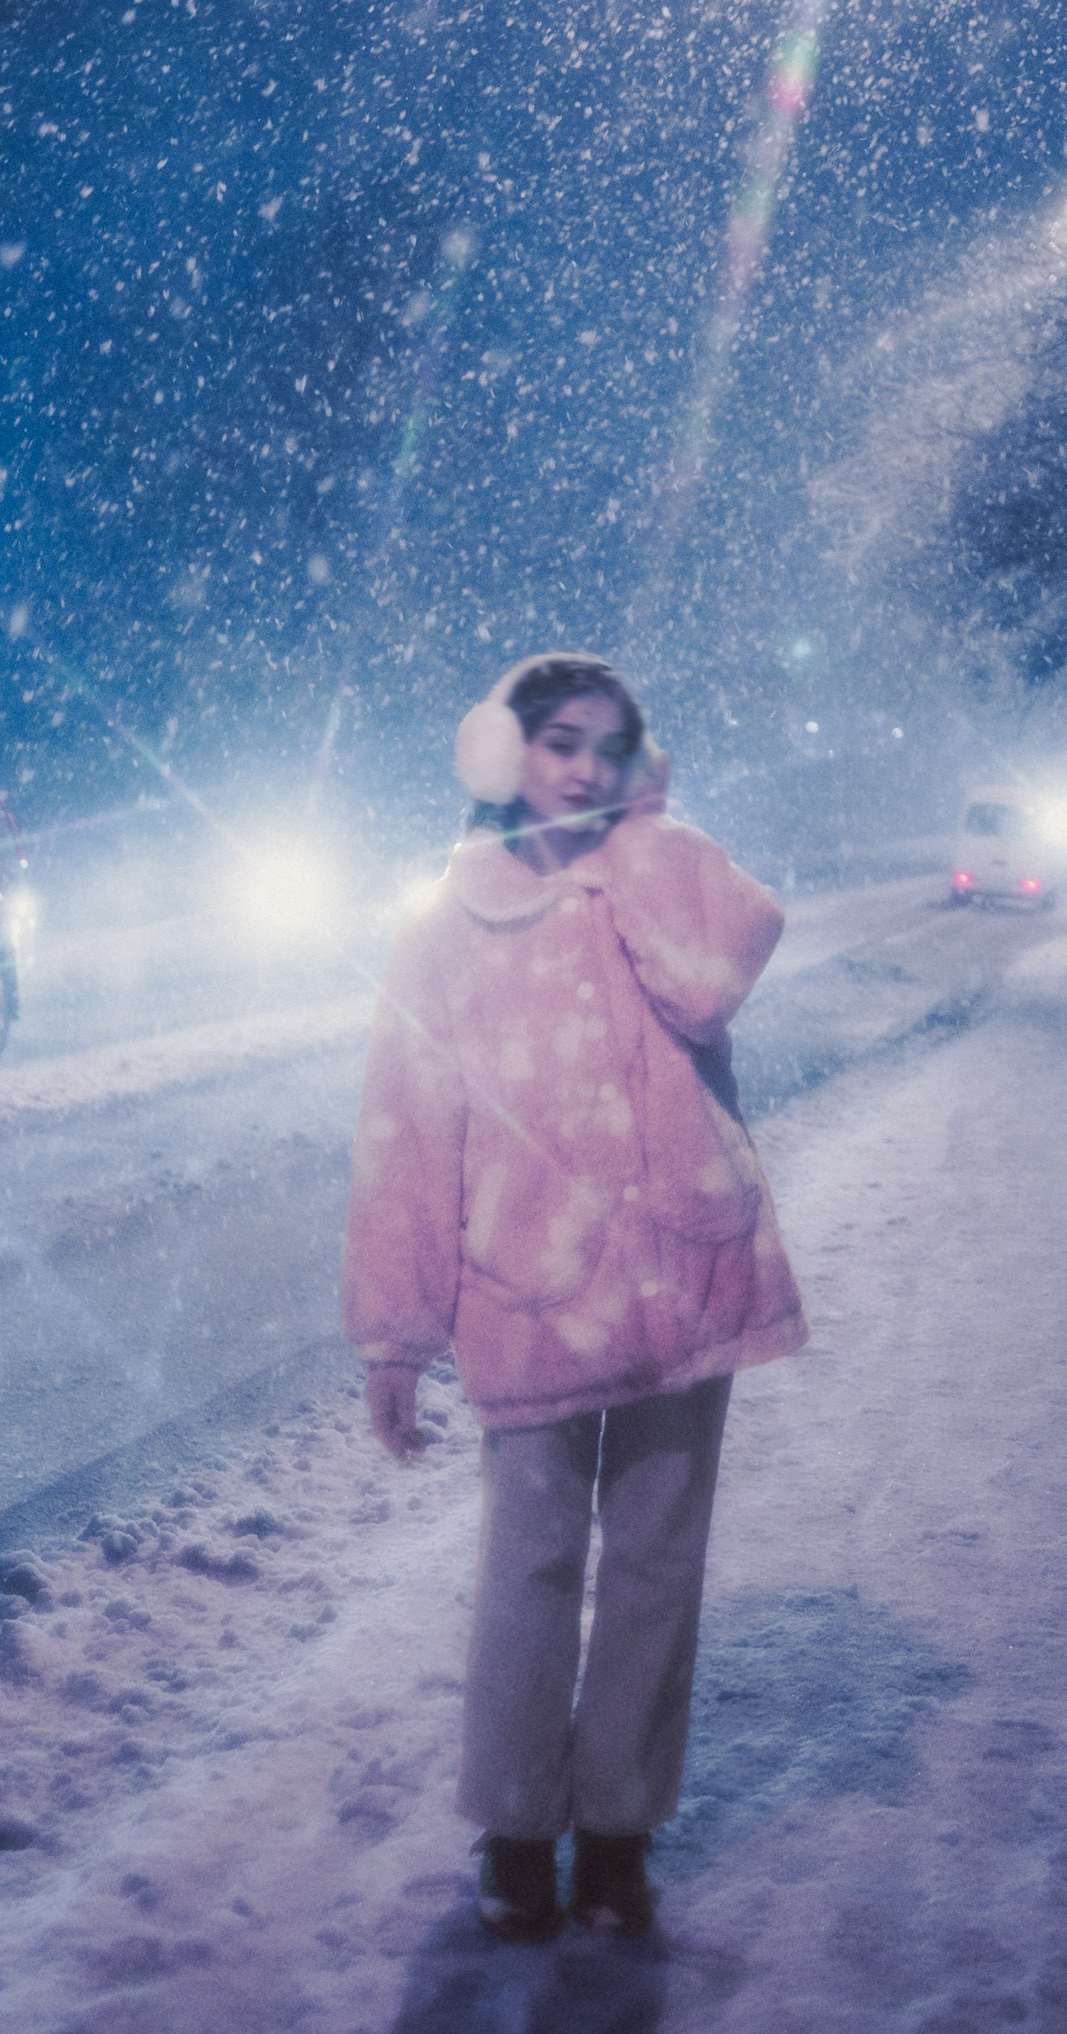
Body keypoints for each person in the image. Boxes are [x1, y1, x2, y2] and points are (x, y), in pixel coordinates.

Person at [342, 651, 807, 1942]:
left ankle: (615, 1833)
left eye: (611, 746)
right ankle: (514, 1829)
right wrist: (397, 1330)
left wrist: (642, 839)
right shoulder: (445, 923)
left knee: (658, 1564)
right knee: (529, 1567)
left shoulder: (658, 877)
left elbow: (713, 981)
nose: (586, 769)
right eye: (559, 742)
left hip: (681, 1270)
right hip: (527, 1286)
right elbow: (404, 1130)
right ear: (506, 753)